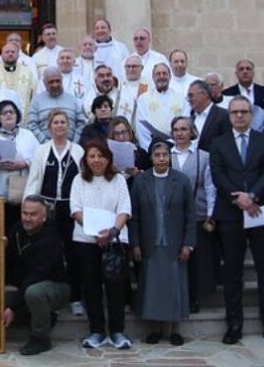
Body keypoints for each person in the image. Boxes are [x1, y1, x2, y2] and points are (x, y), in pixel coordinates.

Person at [209, 96, 264, 346]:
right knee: (232, 271)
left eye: (244, 112)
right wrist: (239, 199)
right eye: (235, 112)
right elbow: (218, 174)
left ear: (251, 115)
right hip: (231, 215)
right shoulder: (219, 143)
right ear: (230, 115)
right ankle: (234, 324)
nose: (240, 116)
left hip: (260, 212)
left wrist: (252, 196)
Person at [131, 141, 196, 346]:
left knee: (175, 286)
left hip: (175, 243)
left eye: (165, 154)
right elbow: (134, 216)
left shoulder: (182, 180)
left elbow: (190, 215)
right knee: (153, 287)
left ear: (170, 157)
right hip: (150, 243)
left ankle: (175, 329)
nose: (161, 158)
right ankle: (155, 329)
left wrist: (188, 243)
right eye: (157, 154)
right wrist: (135, 244)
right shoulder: (141, 181)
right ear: (151, 157)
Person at [70, 139, 133, 349]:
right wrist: (94, 231)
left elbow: (124, 209)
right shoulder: (79, 180)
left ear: (108, 158)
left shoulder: (119, 180)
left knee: (115, 286)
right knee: (91, 286)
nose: (96, 160)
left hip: (115, 240)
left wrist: (112, 231)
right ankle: (96, 330)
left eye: (100, 155)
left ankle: (117, 331)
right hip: (86, 240)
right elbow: (75, 209)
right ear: (85, 159)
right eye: (92, 156)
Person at [24, 110, 86, 317]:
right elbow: (33, 181)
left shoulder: (78, 151)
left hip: (71, 210)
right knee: (48, 254)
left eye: (63, 122)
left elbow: (85, 182)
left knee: (74, 253)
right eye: (56, 122)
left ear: (69, 126)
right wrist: (29, 207)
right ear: (49, 127)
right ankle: (50, 298)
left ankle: (76, 297)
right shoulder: (42, 151)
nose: (59, 126)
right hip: (47, 209)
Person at [4, 195, 70, 356]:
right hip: (25, 283)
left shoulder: (50, 238)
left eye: (33, 214)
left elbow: (36, 276)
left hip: (54, 286)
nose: (28, 218)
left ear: (44, 216)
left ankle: (40, 339)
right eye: (24, 213)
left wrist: (11, 306)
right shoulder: (17, 230)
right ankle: (44, 317)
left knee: (34, 292)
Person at [169, 116, 217, 313]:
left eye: (184, 129)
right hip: (170, 216)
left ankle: (194, 296)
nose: (180, 133)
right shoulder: (165, 155)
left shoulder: (203, 156)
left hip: (197, 212)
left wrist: (210, 213)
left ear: (192, 132)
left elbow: (209, 186)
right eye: (176, 129)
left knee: (196, 259)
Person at [0, 100, 40, 228]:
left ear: (17, 115)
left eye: (11, 112)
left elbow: (39, 159)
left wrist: (24, 164)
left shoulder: (28, 136)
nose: (8, 115)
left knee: (18, 227)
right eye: (4, 113)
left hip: (20, 192)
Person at [134, 62, 186, 148]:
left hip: (176, 147)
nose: (161, 76)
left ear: (170, 76)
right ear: (153, 77)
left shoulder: (181, 98)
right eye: (158, 74)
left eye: (164, 73)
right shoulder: (143, 99)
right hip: (152, 148)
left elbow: (186, 123)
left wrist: (174, 145)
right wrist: (151, 148)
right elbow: (141, 127)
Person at [28, 67, 87, 143]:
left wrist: (74, 143)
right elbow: (31, 125)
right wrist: (46, 144)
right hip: (44, 148)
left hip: (71, 147)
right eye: (51, 82)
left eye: (57, 81)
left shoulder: (72, 100)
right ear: (44, 83)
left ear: (62, 80)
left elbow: (81, 123)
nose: (55, 84)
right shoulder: (36, 101)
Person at [222, 59, 264, 129]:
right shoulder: (227, 93)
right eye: (241, 69)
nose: (245, 71)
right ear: (236, 74)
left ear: (253, 73)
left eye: (248, 69)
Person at [187, 79, 231, 153]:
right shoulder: (191, 117)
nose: (189, 100)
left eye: (191, 95)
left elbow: (227, 145)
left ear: (204, 94)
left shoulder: (224, 116)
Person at [0, 42, 37, 117]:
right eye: (7, 52)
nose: (10, 54)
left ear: (18, 55)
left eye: (13, 52)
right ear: (1, 55)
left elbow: (34, 94)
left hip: (24, 116)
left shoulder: (27, 72)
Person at [108, 117, 150, 182]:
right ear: (112, 136)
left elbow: (149, 178)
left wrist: (138, 174)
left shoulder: (141, 154)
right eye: (117, 134)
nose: (121, 137)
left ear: (129, 132)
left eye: (123, 132)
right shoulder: (106, 156)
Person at [115, 54, 149, 124]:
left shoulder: (147, 86)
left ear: (142, 68)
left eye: (134, 66)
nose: (131, 69)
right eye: (128, 66)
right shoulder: (119, 86)